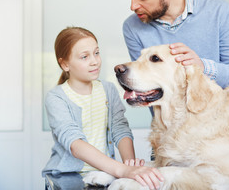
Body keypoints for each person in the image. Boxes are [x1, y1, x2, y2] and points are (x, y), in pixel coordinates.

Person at [42, 27, 164, 189]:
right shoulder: (56, 97)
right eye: (84, 56)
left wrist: (131, 165)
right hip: (67, 177)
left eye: (96, 53)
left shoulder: (108, 89)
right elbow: (74, 143)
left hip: (104, 174)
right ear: (64, 64)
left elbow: (120, 129)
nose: (94, 61)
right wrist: (123, 170)